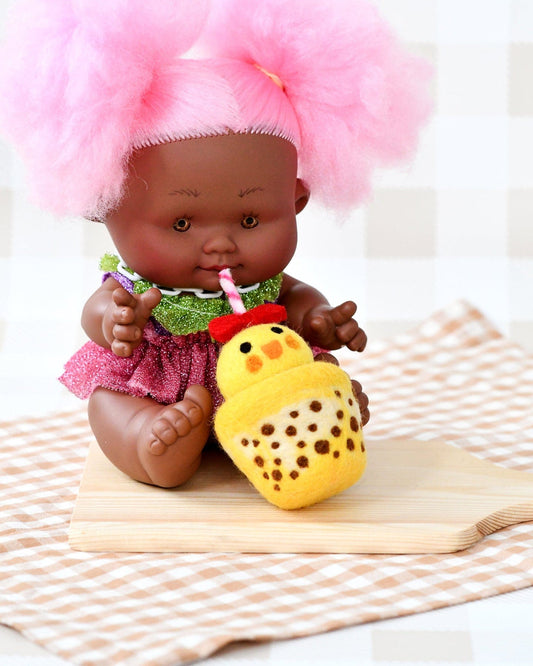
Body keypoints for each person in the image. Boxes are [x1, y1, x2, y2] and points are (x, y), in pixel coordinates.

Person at [0, 0, 431, 488]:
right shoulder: (134, 290)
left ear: (296, 201)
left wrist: (317, 319)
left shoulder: (264, 284)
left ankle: (318, 424)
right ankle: (149, 440)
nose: (221, 244)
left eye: (250, 219)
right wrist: (115, 321)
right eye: (182, 223)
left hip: (261, 385)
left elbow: (293, 295)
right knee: (108, 402)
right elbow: (97, 311)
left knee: (308, 380)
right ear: (107, 207)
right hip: (158, 387)